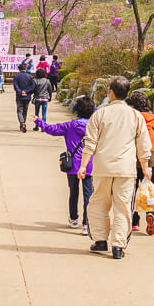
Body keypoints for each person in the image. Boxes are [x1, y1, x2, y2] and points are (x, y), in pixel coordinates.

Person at [79, 76, 152, 260]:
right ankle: (118, 246)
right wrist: (145, 167)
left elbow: (90, 143)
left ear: (111, 92)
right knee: (123, 206)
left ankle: (100, 240)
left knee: (98, 204)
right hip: (126, 169)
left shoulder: (99, 114)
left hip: (102, 167)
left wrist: (83, 166)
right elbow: (144, 145)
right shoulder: (136, 116)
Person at [34, 95, 95, 229]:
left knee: (73, 192)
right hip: (89, 165)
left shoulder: (70, 125)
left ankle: (74, 218)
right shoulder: (95, 128)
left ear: (77, 110)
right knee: (88, 194)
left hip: (72, 165)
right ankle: (87, 223)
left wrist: (39, 122)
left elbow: (52, 129)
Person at [126, 91, 154, 236]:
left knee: (134, 189)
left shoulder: (133, 118)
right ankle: (151, 213)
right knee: (150, 188)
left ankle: (135, 222)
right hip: (153, 156)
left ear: (133, 105)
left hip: (135, 157)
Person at [11, 62, 36, 131]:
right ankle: (23, 123)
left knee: (19, 111)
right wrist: (26, 91)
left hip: (19, 96)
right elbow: (33, 86)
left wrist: (21, 92)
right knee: (25, 111)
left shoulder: (16, 77)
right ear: (26, 69)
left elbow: (15, 86)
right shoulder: (30, 77)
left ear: (19, 69)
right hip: (27, 96)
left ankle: (22, 123)